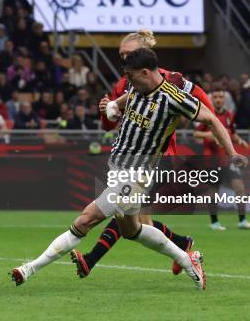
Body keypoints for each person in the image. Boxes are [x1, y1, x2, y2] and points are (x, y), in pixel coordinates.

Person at [11, 38, 247, 290]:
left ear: (145, 72)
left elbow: (211, 118)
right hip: (118, 169)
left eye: (131, 76)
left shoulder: (174, 97)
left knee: (86, 220)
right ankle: (188, 258)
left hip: (137, 175)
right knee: (132, 230)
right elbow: (122, 102)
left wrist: (231, 151)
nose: (128, 82)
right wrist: (112, 106)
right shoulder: (137, 87)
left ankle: (29, 269)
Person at [77, 29, 214, 278]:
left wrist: (210, 123)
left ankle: (91, 259)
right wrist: (104, 111)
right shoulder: (122, 84)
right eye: (121, 55)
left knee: (122, 207)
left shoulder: (169, 78)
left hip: (159, 158)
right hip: (131, 158)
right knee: (139, 222)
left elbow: (201, 98)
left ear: (144, 53)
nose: (124, 60)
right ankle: (184, 247)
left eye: (129, 54)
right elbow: (111, 123)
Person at [194, 90, 250, 230]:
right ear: (211, 99)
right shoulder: (206, 114)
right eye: (215, 97)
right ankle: (214, 222)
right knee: (214, 190)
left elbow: (231, 134)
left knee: (240, 188)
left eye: (220, 97)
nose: (218, 100)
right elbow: (196, 133)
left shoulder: (229, 115)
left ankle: (242, 220)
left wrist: (240, 141)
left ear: (224, 99)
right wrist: (208, 134)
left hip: (228, 159)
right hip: (212, 160)